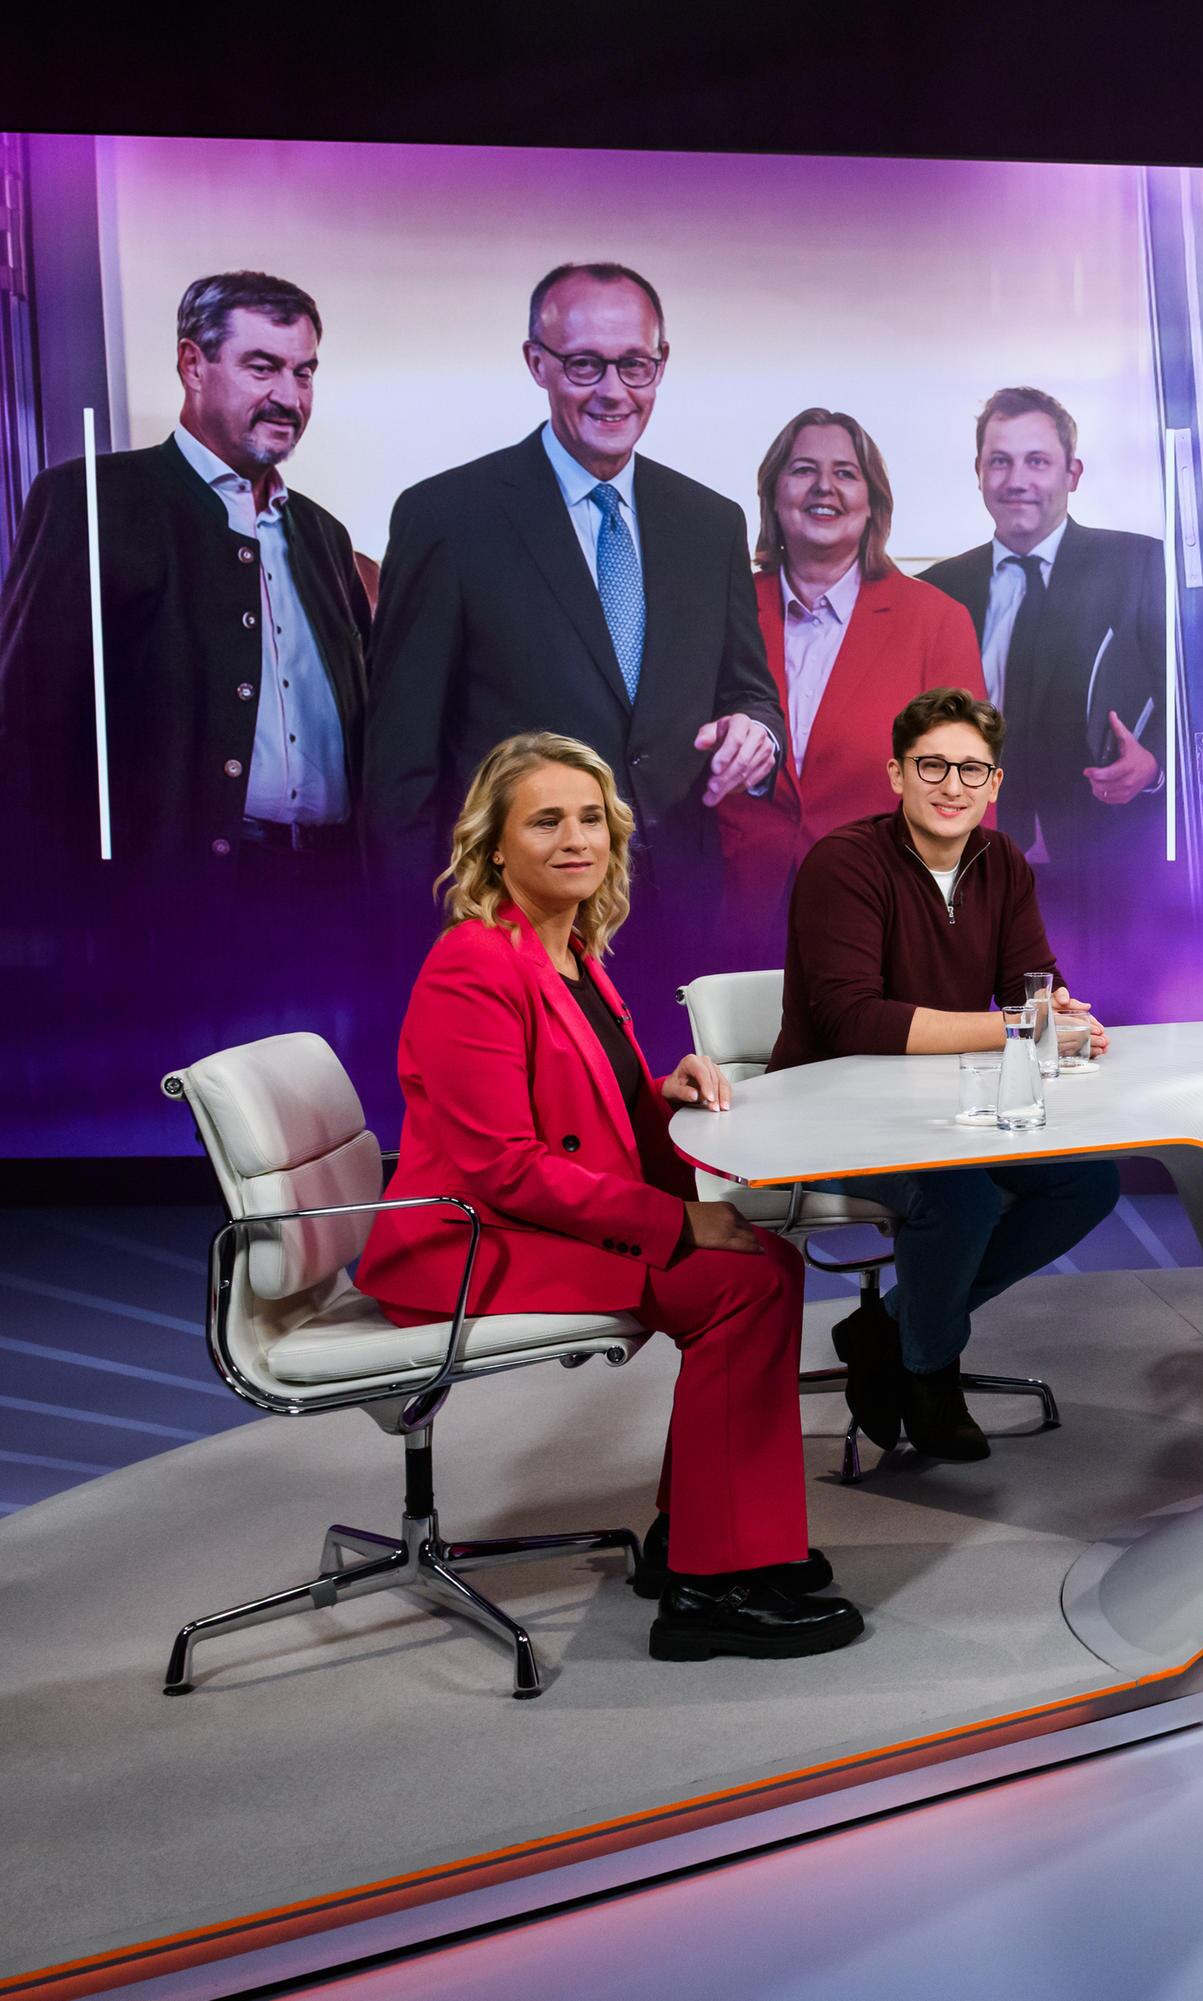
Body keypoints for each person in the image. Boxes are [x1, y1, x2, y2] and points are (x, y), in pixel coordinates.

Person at [354, 732, 863, 1662]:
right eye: (545, 821)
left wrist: (659, 1090)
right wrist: (676, 1221)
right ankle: (712, 1590)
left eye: (591, 818)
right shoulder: (474, 964)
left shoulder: (573, 951)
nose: (576, 838)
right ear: (493, 847)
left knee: (767, 1265)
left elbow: (577, 1108)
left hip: (527, 1220)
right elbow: (504, 1166)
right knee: (741, 1284)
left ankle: (702, 1536)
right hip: (469, 1242)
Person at [771, 686, 1122, 1462]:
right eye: (932, 765)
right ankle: (929, 1369)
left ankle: (892, 1325)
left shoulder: (1002, 862)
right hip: (828, 1113)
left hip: (944, 1110)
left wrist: (1060, 1012)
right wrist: (1021, 1026)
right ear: (896, 773)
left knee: (1087, 1181)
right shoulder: (843, 863)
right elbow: (856, 1022)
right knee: (958, 1194)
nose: (952, 785)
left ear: (995, 783)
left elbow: (1030, 984)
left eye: (972, 769)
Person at [361, 262, 783, 898]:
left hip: (680, 906)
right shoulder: (447, 518)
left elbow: (749, 692)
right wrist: (415, 932)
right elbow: (400, 764)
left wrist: (757, 732)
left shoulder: (711, 523)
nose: (613, 391)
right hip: (514, 910)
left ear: (661, 363)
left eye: (634, 364)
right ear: (537, 363)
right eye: (585, 364)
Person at [0, 270, 372, 883]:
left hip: (330, 890)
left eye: (303, 373)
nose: (289, 397)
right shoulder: (92, 501)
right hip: (172, 902)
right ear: (193, 365)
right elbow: (26, 736)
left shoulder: (324, 535)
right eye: (262, 368)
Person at [915, 386, 1166, 967]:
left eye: (1037, 461)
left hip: (1105, 871)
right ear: (979, 473)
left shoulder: (1141, 566)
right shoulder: (935, 591)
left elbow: (1198, 702)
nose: (1016, 480)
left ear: (1072, 473)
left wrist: (1154, 766)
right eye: (1000, 461)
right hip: (966, 867)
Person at [715, 408, 984, 933]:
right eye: (803, 470)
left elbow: (966, 783)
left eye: (845, 473)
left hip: (881, 907)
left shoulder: (936, 620)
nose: (824, 487)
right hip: (734, 907)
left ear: (873, 502)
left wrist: (957, 915)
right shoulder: (723, 606)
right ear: (773, 494)